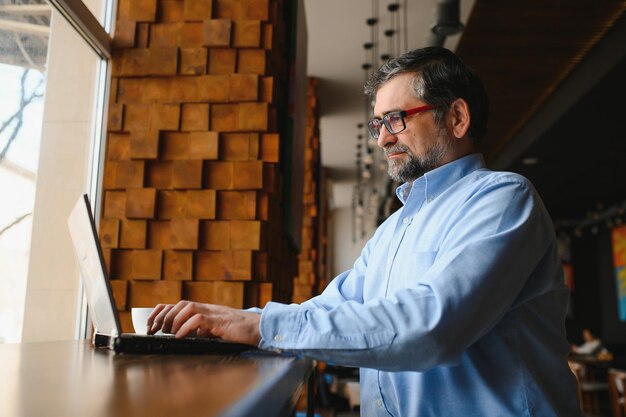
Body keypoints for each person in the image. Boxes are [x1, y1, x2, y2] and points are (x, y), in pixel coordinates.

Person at [147, 47, 582, 416]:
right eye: (378, 124)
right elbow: (332, 307)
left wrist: (257, 328)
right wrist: (227, 321)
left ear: (458, 117)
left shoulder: (503, 198)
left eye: (396, 119)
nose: (382, 140)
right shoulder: (393, 229)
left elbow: (432, 326)